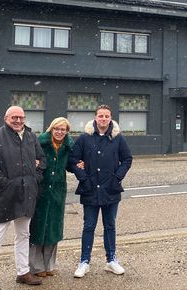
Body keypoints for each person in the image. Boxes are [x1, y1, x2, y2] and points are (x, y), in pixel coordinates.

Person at [0, 105, 46, 290]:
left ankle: (23, 272)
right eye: (14, 117)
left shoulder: (31, 137)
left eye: (21, 117)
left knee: (24, 235)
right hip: (6, 196)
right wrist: (5, 184)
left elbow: (42, 160)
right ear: (6, 118)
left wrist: (35, 178)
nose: (18, 120)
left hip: (27, 194)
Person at [69, 104, 133, 278]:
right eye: (100, 116)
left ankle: (111, 260)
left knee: (110, 226)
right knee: (89, 226)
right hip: (90, 189)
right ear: (95, 118)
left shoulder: (118, 138)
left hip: (111, 189)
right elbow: (73, 160)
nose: (103, 119)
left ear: (110, 118)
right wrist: (83, 177)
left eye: (106, 116)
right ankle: (84, 261)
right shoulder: (84, 138)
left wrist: (117, 177)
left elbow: (127, 159)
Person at [29, 117, 74, 277]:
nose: (59, 132)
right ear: (51, 129)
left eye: (63, 129)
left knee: (53, 228)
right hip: (40, 190)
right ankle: (36, 267)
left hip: (57, 192)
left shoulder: (69, 146)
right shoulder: (40, 143)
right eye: (57, 129)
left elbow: (71, 165)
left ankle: (49, 265)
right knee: (38, 227)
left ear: (67, 131)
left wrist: (80, 164)